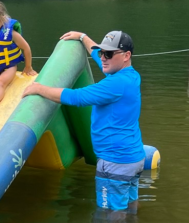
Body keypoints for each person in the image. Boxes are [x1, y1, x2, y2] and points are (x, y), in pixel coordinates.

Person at [23, 29, 144, 212]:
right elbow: (99, 58)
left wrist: (40, 89)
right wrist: (82, 37)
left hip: (115, 162)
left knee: (109, 213)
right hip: (134, 158)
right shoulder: (131, 76)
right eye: (103, 52)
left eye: (109, 54)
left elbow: (76, 97)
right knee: (129, 203)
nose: (103, 57)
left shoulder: (115, 84)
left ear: (126, 55)